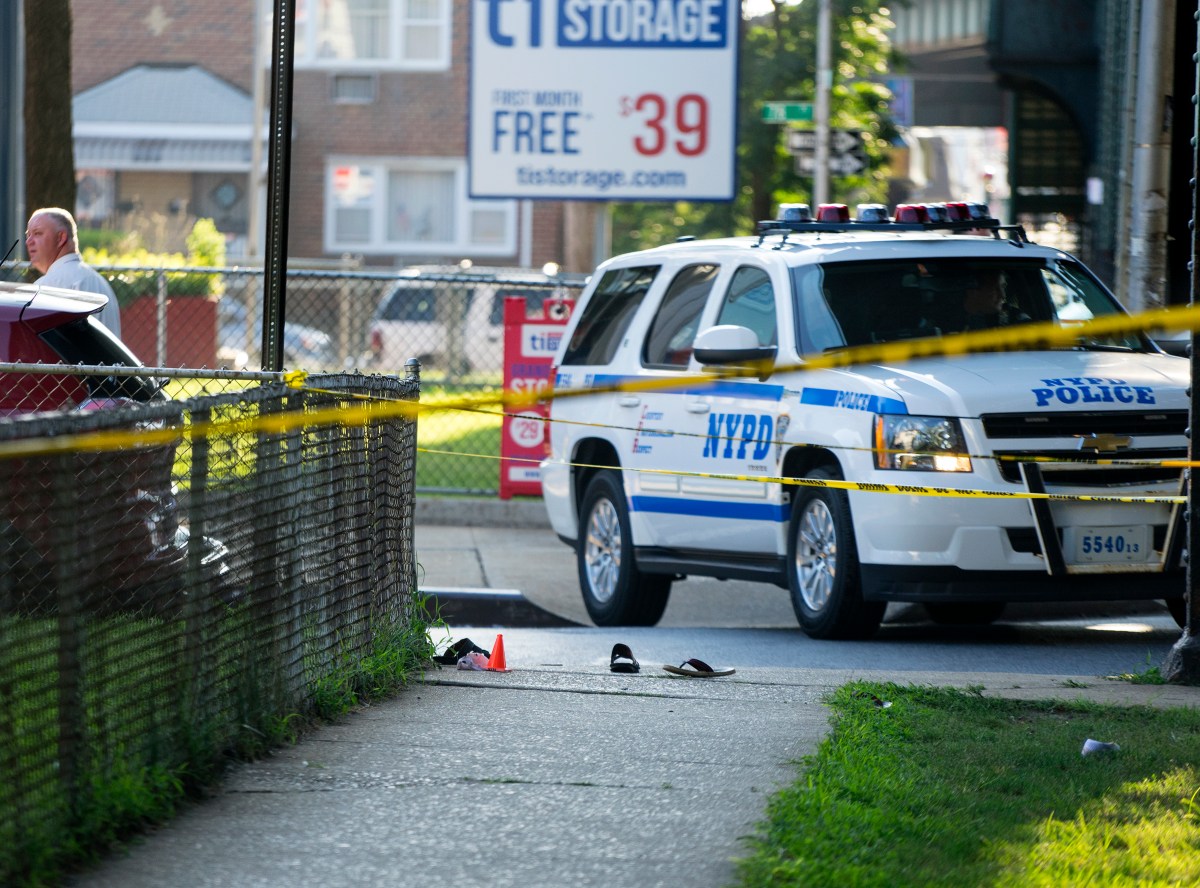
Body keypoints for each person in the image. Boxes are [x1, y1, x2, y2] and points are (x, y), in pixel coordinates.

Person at [25, 207, 122, 336]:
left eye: (37, 233)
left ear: (61, 238)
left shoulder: (46, 287)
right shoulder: (101, 283)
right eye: (28, 235)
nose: (28, 241)